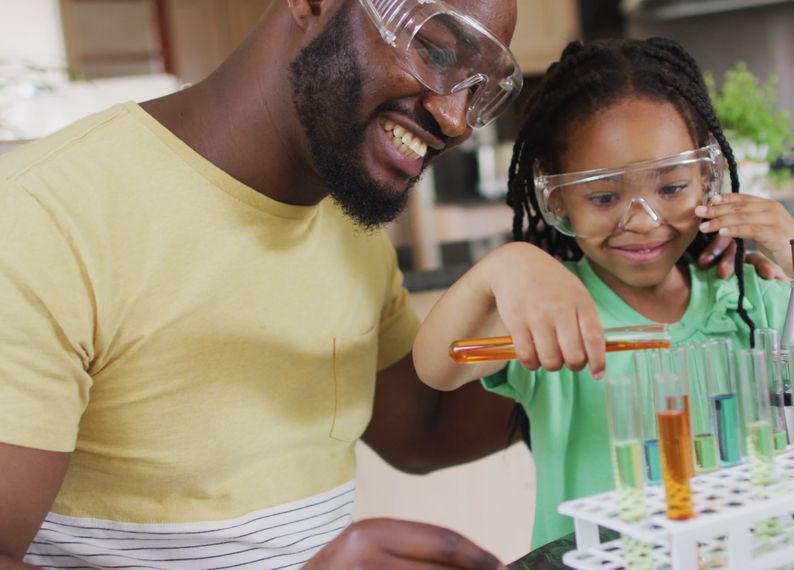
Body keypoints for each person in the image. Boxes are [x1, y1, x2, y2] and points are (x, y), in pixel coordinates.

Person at [0, 0, 534, 567]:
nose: (454, 120)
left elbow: (423, 431)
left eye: (478, 90)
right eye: (433, 49)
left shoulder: (345, 226)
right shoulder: (39, 220)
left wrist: (612, 306)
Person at [413, 38, 794, 548]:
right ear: (556, 198)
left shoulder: (750, 298)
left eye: (671, 189)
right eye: (604, 197)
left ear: (707, 177)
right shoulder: (551, 310)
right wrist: (504, 266)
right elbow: (436, 366)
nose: (645, 224)